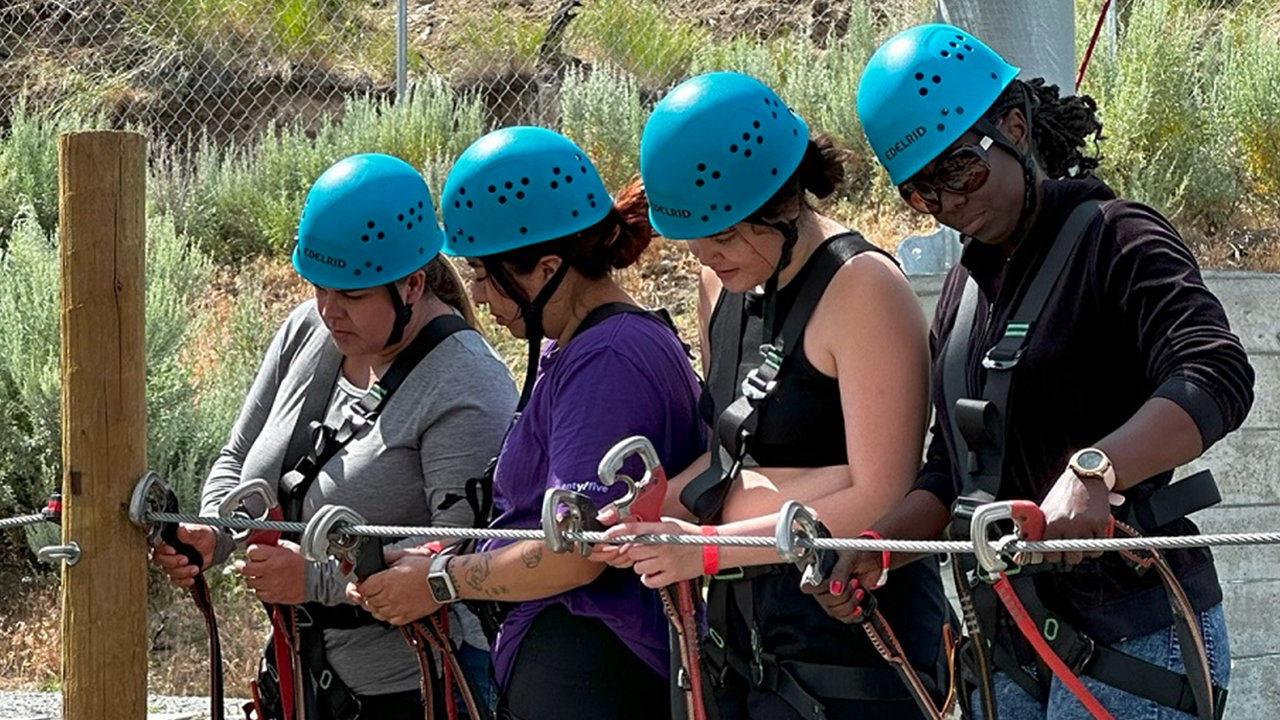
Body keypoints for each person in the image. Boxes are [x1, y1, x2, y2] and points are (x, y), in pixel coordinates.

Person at [812, 24, 1255, 720]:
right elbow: (953, 469)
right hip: (1009, 641)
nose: (949, 202)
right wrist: (881, 547)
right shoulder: (962, 296)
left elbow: (1215, 370)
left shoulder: (1117, 237)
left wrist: (1096, 469)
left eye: (959, 168)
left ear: (1015, 128)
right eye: (922, 190)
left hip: (1133, 634)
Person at [597, 71, 950, 719]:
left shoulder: (863, 288)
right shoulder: (722, 285)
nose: (706, 256)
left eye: (725, 235)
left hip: (846, 644)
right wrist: (640, 516)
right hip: (744, 638)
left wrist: (704, 547)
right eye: (694, 239)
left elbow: (883, 496)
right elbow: (733, 456)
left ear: (784, 203)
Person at [346, 126, 707, 720]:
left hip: (591, 667)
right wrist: (435, 558)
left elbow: (576, 551)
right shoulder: (580, 346)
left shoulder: (607, 362)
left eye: (488, 275)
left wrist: (440, 582)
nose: (480, 295)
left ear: (546, 268)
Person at [149, 152, 517, 719]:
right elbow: (238, 456)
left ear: (412, 285)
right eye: (319, 288)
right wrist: (214, 535)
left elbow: (461, 557)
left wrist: (313, 581)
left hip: (412, 690)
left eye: (350, 295)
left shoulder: (465, 383)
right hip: (300, 678)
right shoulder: (308, 333)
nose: (328, 310)